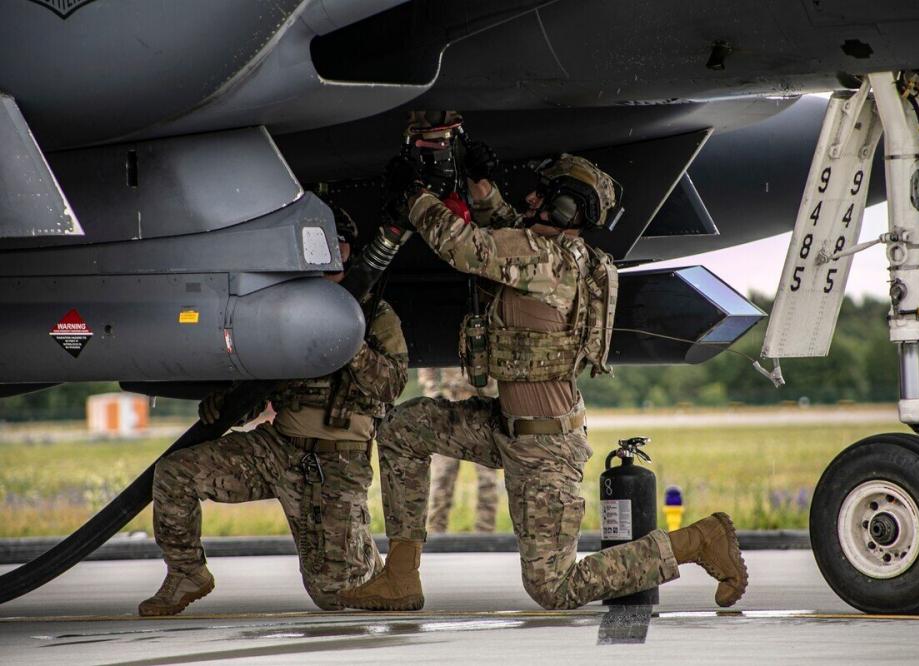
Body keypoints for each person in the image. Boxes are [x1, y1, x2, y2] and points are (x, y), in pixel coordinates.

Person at [338, 146, 748, 611]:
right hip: (508, 427)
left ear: (566, 208)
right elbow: (506, 226)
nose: (530, 199)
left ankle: (699, 541)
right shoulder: (564, 254)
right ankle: (401, 577)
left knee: (554, 587)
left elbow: (466, 246)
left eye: (542, 195)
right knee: (402, 430)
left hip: (544, 447)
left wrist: (414, 196)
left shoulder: (544, 261)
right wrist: (481, 188)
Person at [138, 206, 409, 616]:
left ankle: (368, 564)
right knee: (175, 473)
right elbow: (266, 379)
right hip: (277, 450)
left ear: (349, 252)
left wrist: (345, 337)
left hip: (335, 463)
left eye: (337, 247)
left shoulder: (376, 316)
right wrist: (230, 408)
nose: (328, 259)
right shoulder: (290, 309)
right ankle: (186, 573)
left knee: (335, 595)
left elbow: (389, 386)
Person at [418, 367, 499, 533]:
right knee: (442, 477)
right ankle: (435, 533)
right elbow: (426, 366)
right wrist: (433, 392)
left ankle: (485, 534)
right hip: (449, 411)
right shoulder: (448, 340)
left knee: (487, 479)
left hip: (483, 409)